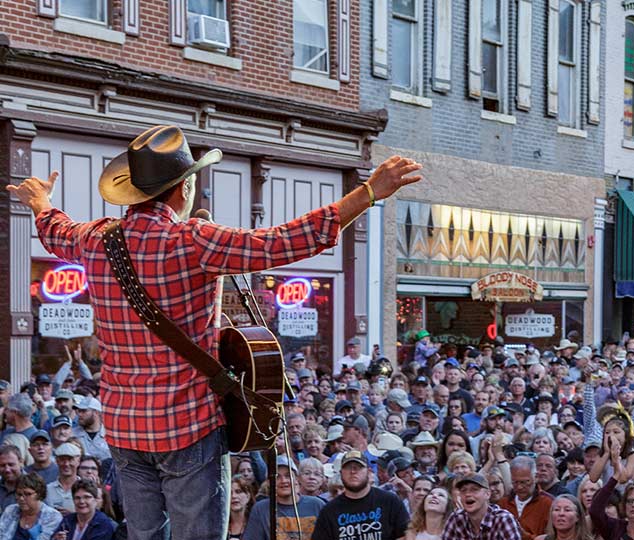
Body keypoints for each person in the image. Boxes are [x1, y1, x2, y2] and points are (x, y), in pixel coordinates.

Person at [9, 125, 422, 540]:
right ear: (183, 187)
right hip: (188, 424)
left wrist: (40, 199)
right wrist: (367, 192)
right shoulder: (193, 240)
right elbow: (284, 242)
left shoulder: (95, 239)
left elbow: (54, 230)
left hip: (124, 427)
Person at [312, 450, 408, 539]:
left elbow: (406, 535)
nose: (353, 471)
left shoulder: (390, 502)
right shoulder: (329, 511)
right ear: (341, 473)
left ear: (369, 472)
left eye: (358, 467)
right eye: (348, 467)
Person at [244, 455, 325, 540]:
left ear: (297, 479)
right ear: (269, 482)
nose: (283, 481)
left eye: (288, 475)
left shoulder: (317, 505)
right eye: (277, 477)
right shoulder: (261, 509)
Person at [442, 473, 522, 540]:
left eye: (474, 489)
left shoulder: (503, 519)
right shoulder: (456, 518)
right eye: (463, 490)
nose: (468, 494)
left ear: (487, 494)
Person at [499, 455, 553, 540]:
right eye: (515, 482)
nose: (520, 487)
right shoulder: (503, 503)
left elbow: (552, 537)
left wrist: (525, 536)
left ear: (535, 477)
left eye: (525, 482)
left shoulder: (548, 503)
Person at [0, 472, 62, 540]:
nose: (21, 498)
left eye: (27, 494)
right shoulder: (10, 510)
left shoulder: (53, 516)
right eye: (19, 494)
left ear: (39, 493)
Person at [228, 475, 254, 540]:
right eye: (230, 493)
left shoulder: (256, 524)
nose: (233, 496)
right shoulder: (220, 526)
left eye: (238, 491)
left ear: (248, 496)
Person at [0, 445, 23, 512]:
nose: (7, 469)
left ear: (21, 462)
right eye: (2, 465)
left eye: (11, 465)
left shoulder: (34, 486)